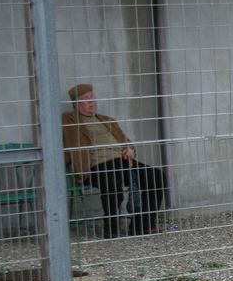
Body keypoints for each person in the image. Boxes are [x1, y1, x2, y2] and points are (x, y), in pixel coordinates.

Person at [62, 84, 164, 237]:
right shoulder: (68, 120)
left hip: (122, 161)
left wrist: (130, 149)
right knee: (112, 183)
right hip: (95, 166)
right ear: (76, 103)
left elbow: (127, 141)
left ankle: (142, 224)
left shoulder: (107, 120)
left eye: (92, 97)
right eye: (85, 98)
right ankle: (111, 228)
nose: (91, 101)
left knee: (156, 176)